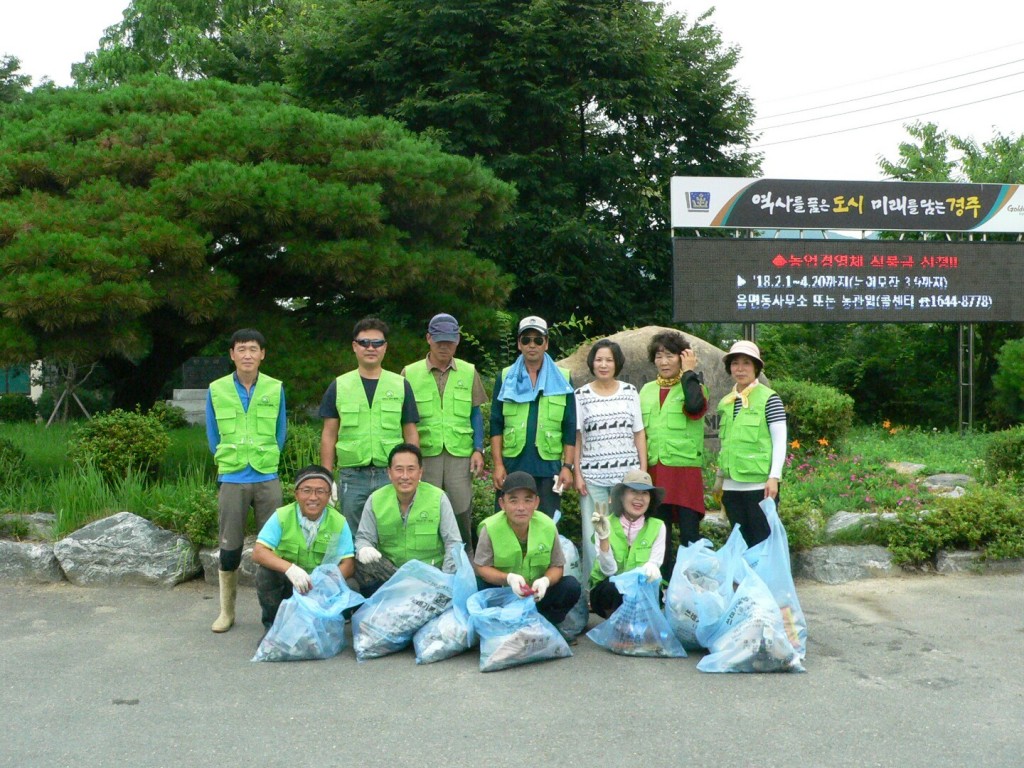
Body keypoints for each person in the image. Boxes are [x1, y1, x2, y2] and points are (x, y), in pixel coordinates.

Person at [205, 328, 287, 634]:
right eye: (241, 349)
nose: (248, 355)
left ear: (262, 354)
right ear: (232, 355)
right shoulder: (216, 389)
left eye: (253, 349)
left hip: (267, 475)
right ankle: (226, 611)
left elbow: (281, 431)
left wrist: (268, 458)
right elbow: (213, 435)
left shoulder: (275, 388)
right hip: (233, 475)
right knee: (230, 545)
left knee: (274, 545)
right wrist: (228, 462)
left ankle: (275, 611)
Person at [319, 316, 419, 535]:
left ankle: (387, 571)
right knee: (352, 534)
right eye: (364, 343)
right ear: (355, 347)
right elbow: (329, 434)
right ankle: (354, 570)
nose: (370, 348)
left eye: (377, 343)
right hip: (352, 476)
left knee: (391, 531)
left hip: (390, 473)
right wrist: (326, 476)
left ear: (385, 348)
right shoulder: (339, 385)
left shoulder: (401, 385)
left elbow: (410, 432)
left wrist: (414, 470)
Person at [401, 313, 487, 551]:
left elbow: (475, 413)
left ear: (457, 340)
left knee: (461, 508)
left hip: (459, 452)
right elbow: (403, 418)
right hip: (424, 454)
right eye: (439, 341)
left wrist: (478, 448)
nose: (444, 346)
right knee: (424, 507)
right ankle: (426, 554)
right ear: (428, 338)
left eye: (449, 341)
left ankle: (464, 556)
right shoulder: (409, 373)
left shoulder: (469, 372)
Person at [490, 316, 576, 517]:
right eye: (526, 339)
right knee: (507, 522)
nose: (532, 345)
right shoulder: (504, 377)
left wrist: (567, 467)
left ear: (546, 344)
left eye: (538, 340)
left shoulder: (563, 378)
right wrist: (498, 465)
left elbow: (570, 425)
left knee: (547, 523)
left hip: (548, 466)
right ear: (519, 344)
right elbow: (496, 424)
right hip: (513, 464)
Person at [252, 465, 356, 631]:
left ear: (329, 495)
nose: (313, 497)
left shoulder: (339, 521)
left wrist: (325, 581)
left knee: (351, 584)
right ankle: (273, 626)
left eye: (320, 491)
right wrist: (290, 569)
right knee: (266, 574)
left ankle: (330, 625)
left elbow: (348, 564)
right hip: (292, 584)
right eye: (307, 490)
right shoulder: (282, 516)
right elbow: (259, 552)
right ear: (296, 493)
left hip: (322, 588)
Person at [573, 339, 646, 575]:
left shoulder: (629, 392)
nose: (603, 364)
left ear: (617, 364)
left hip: (625, 479)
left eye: (609, 360)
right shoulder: (581, 395)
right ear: (592, 363)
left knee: (623, 532)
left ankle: (622, 586)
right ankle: (594, 589)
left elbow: (638, 432)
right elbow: (578, 438)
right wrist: (577, 473)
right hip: (592, 477)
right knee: (593, 532)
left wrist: (642, 472)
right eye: (599, 359)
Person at [640, 330, 708, 580]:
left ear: (682, 358)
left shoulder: (692, 385)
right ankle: (663, 586)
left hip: (684, 472)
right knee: (661, 535)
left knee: (690, 534)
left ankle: (690, 588)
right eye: (659, 356)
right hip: (655, 472)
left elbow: (694, 406)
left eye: (670, 355)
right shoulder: (646, 390)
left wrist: (689, 373)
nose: (664, 361)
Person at [353, 443, 464, 596]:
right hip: (391, 578)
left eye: (411, 469)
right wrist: (364, 548)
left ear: (420, 473)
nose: (405, 476)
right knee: (359, 562)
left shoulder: (438, 498)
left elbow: (453, 543)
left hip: (431, 577)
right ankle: (377, 600)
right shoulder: (375, 499)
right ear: (389, 473)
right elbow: (363, 538)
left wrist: (445, 581)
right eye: (399, 469)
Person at [474, 471, 582, 626]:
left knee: (570, 586)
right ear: (502, 504)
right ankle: (498, 625)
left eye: (527, 500)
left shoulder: (548, 525)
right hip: (504, 595)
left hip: (536, 595)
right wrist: (508, 579)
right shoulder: (490, 528)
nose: (521, 507)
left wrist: (545, 581)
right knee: (478, 586)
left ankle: (545, 625)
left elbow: (557, 567)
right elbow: (481, 568)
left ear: (536, 503)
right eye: (513, 501)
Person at [713, 340, 787, 547]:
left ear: (756, 367)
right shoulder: (727, 401)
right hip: (731, 485)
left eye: (746, 363)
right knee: (741, 541)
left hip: (759, 484)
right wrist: (720, 478)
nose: (740, 368)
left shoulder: (770, 398)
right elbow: (726, 443)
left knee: (763, 540)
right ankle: (746, 580)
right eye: (735, 363)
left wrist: (774, 477)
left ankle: (765, 580)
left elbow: (780, 441)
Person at [588, 469, 666, 618]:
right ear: (622, 496)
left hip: (641, 590)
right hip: (610, 592)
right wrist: (604, 537)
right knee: (614, 588)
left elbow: (654, 564)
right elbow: (608, 571)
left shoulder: (658, 526)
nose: (639, 498)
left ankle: (637, 623)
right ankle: (618, 627)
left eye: (645, 493)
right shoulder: (604, 523)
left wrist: (650, 568)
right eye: (633, 491)